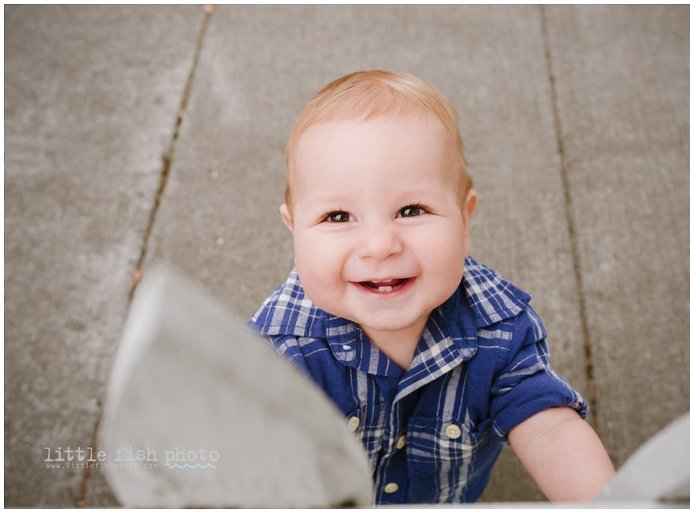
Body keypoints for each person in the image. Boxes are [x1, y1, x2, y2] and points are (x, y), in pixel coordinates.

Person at [248, 70, 614, 504]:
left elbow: (549, 429)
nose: (381, 245)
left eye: (411, 209)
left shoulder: (498, 329)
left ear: (465, 220)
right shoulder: (280, 348)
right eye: (339, 217)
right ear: (293, 229)